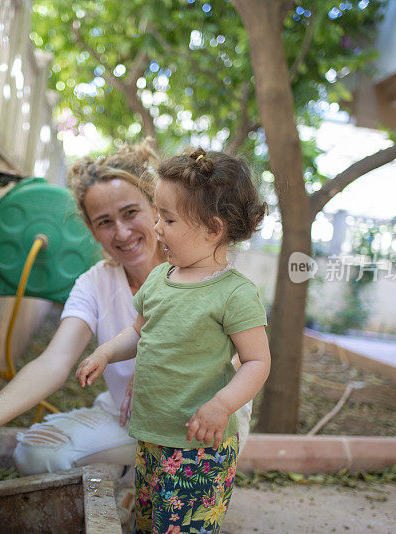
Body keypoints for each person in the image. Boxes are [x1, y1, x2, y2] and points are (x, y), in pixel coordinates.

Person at [0, 141, 164, 492]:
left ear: (155, 208)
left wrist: (162, 373)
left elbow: (238, 357)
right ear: (91, 231)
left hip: (195, 424)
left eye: (130, 213)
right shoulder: (95, 283)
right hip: (124, 420)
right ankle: (124, 477)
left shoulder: (191, 269)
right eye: (105, 222)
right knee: (35, 454)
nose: (121, 232)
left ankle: (150, 482)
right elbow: (55, 362)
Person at [76, 148, 271, 534]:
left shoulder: (235, 294)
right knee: (149, 523)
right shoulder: (161, 278)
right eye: (157, 215)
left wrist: (222, 404)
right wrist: (105, 352)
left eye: (167, 218)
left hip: (201, 448)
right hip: (152, 437)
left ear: (213, 229)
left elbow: (257, 362)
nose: (157, 226)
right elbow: (137, 332)